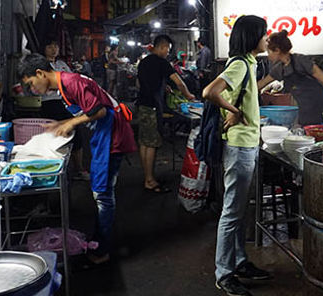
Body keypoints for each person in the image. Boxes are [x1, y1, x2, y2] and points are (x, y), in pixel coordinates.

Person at [18, 54, 136, 267]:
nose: (33, 90)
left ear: (40, 73)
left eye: (32, 84)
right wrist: (61, 123)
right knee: (101, 193)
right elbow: (87, 111)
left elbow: (98, 111)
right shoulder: (64, 85)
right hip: (104, 136)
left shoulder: (71, 83)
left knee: (103, 196)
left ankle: (102, 250)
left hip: (112, 137)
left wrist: (71, 124)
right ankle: (100, 242)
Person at [203, 15, 273, 296]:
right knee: (231, 212)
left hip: (246, 145)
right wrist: (235, 112)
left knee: (240, 209)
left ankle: (240, 261)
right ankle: (224, 273)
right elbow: (210, 92)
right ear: (252, 37)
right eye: (264, 34)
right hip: (239, 148)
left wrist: (236, 110)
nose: (267, 39)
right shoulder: (240, 65)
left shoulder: (249, 64)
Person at [136, 34, 195, 192]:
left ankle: (147, 176)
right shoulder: (162, 62)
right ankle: (149, 180)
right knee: (152, 144)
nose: (167, 52)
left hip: (142, 104)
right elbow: (179, 82)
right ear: (161, 47)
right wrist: (188, 95)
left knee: (144, 142)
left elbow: (140, 82)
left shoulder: (143, 62)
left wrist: (162, 87)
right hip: (153, 106)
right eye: (167, 49)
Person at [256, 30, 323, 126]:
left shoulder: (301, 61)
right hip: (305, 113)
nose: (268, 56)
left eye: (269, 52)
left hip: (322, 110)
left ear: (277, 50)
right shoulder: (279, 69)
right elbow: (261, 84)